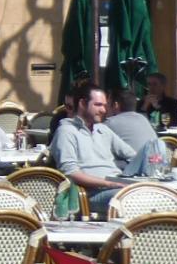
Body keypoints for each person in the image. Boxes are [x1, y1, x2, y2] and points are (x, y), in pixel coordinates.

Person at [50, 85, 134, 214]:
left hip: (117, 185)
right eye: (98, 105)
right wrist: (109, 184)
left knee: (153, 192)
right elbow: (70, 172)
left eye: (104, 105)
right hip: (92, 193)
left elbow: (131, 155)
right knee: (133, 198)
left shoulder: (102, 129)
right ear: (82, 103)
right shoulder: (66, 132)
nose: (103, 110)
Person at [101, 90, 159, 168]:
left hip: (135, 169)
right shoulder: (143, 118)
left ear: (116, 105)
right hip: (155, 165)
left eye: (107, 104)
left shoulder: (110, 123)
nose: (105, 108)